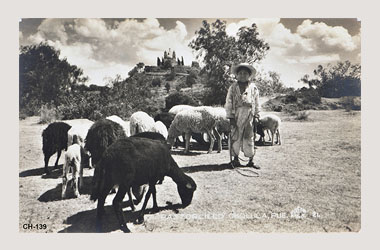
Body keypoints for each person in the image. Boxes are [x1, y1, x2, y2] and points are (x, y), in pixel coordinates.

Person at [224, 63, 260, 169]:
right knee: (235, 137)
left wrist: (257, 115)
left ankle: (250, 160)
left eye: (245, 73)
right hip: (236, 115)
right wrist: (230, 117)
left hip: (249, 115)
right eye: (240, 73)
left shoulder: (253, 88)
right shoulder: (233, 87)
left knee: (249, 137)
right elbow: (229, 102)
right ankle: (235, 160)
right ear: (237, 75)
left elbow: (257, 102)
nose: (242, 75)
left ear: (249, 75)